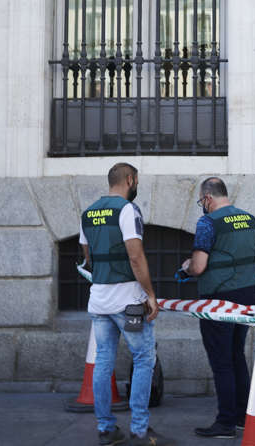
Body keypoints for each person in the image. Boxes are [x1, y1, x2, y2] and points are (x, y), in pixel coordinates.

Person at [80, 163, 174, 446]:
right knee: (145, 358)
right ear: (130, 180)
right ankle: (140, 431)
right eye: (137, 181)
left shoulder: (88, 213)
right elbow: (135, 256)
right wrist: (150, 294)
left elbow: (87, 256)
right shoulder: (127, 210)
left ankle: (106, 429)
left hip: (99, 300)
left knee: (103, 362)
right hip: (127, 300)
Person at [180, 177, 255, 439]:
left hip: (218, 299)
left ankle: (225, 423)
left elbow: (199, 266)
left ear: (208, 198)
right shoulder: (249, 219)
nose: (202, 205)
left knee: (222, 361)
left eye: (202, 200)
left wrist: (186, 268)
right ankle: (242, 417)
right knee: (237, 355)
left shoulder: (208, 222)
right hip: (247, 296)